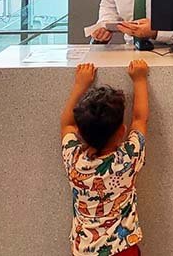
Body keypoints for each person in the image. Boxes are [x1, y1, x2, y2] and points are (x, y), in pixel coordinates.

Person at [60, 60, 149, 256]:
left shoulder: (73, 159)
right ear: (122, 131)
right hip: (123, 250)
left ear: (80, 134)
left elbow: (67, 124)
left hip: (84, 251)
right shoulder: (128, 158)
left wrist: (80, 84)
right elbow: (139, 119)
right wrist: (140, 80)